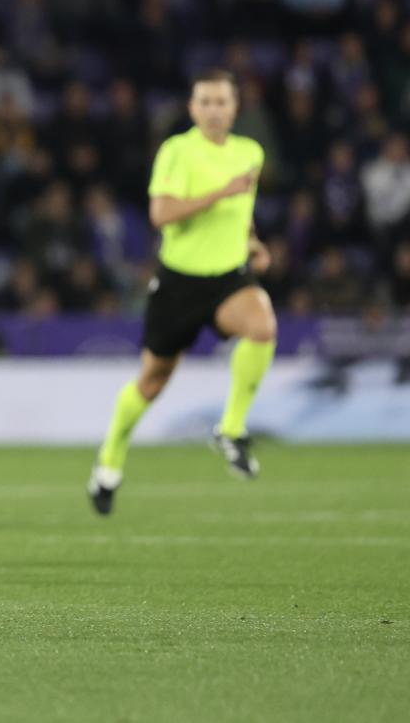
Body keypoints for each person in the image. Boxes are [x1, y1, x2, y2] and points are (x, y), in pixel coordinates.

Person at [88, 70, 276, 515]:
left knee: (262, 325)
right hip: (179, 283)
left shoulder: (250, 152)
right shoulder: (177, 151)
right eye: (205, 102)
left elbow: (240, 212)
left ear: (235, 108)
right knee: (152, 382)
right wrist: (221, 191)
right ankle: (110, 458)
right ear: (192, 109)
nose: (214, 110)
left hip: (229, 277)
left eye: (222, 102)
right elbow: (162, 214)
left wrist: (253, 243)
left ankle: (230, 429)